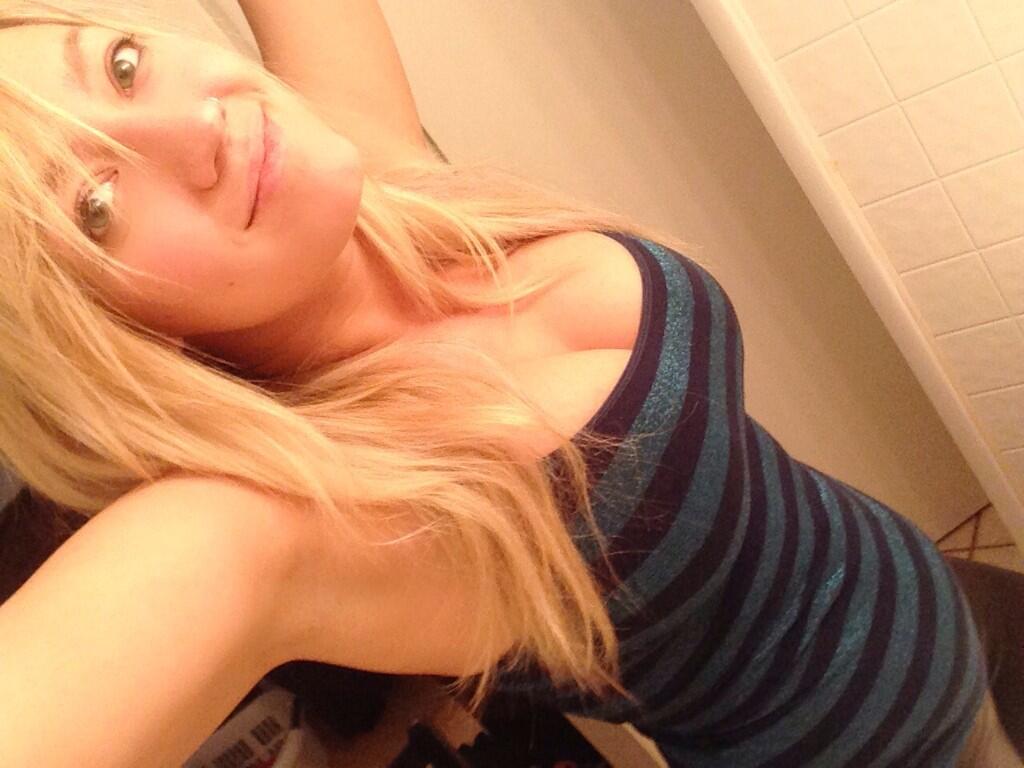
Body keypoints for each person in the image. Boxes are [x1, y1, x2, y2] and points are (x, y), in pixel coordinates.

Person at [0, 3, 1019, 766]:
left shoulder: (380, 178)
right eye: (95, 205)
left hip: (930, 590)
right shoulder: (290, 517)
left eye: (121, 66)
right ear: (96, 340)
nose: (195, 125)